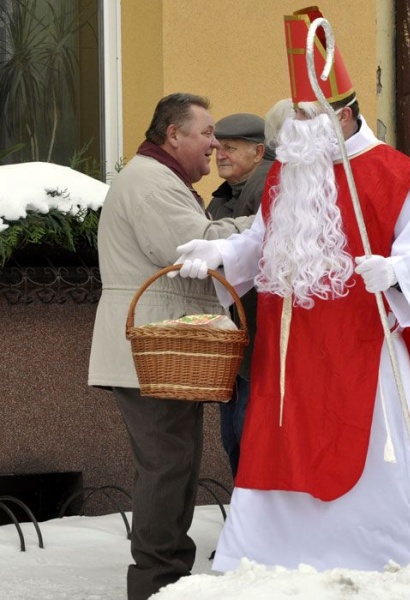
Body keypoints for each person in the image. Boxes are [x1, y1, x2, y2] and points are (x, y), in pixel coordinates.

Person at [172, 6, 410, 572]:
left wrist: (394, 271)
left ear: (342, 116)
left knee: (360, 445)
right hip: (291, 348)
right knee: (279, 442)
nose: (295, 126)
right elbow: (262, 241)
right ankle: (262, 555)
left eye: (307, 114)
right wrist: (220, 253)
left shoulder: (394, 173)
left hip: (360, 343)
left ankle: (370, 555)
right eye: (295, 113)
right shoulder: (287, 174)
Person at [87, 93, 255, 600]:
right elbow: (192, 244)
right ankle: (156, 580)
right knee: (167, 467)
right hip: (150, 350)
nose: (213, 143)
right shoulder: (150, 181)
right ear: (173, 134)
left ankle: (167, 574)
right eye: (205, 132)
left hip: (158, 349)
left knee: (175, 464)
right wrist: (262, 227)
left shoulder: (158, 178)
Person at [207, 112, 274, 478]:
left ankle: (253, 515)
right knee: (234, 433)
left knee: (247, 431)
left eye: (230, 148)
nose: (220, 155)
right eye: (218, 147)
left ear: (258, 151)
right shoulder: (225, 195)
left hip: (257, 333)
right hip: (236, 337)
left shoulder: (266, 185)